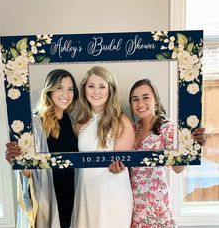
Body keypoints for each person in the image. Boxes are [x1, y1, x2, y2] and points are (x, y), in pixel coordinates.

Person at [109, 78, 206, 228]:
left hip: (156, 202)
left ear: (156, 100)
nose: (140, 104)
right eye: (135, 99)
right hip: (131, 202)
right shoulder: (131, 128)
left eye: (146, 97)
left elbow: (178, 169)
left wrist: (191, 144)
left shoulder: (166, 129)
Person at [5, 69, 79, 228]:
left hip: (70, 194)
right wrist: (18, 160)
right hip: (47, 195)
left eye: (70, 89)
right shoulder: (36, 124)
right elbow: (29, 173)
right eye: (60, 87)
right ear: (49, 90)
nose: (66, 94)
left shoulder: (71, 121)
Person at [70, 66, 135, 228]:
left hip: (112, 193)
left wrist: (119, 165)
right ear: (84, 89)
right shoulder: (80, 122)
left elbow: (123, 163)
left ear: (110, 90)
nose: (96, 92)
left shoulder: (121, 121)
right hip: (85, 191)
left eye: (102, 86)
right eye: (91, 86)